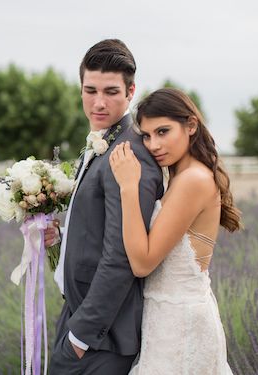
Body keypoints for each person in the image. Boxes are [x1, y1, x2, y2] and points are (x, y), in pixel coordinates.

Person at [45, 39, 164, 374]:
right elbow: (102, 227)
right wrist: (62, 237)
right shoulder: (102, 141)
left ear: (131, 92)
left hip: (101, 336)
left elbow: (123, 253)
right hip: (77, 316)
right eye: (90, 90)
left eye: (111, 91)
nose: (98, 102)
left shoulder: (130, 153)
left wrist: (81, 337)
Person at [109, 87, 242, 374]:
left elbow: (143, 263)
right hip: (165, 320)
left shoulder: (193, 179)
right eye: (146, 135)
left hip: (183, 325)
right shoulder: (179, 177)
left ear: (191, 125)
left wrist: (128, 187)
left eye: (163, 131)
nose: (153, 144)